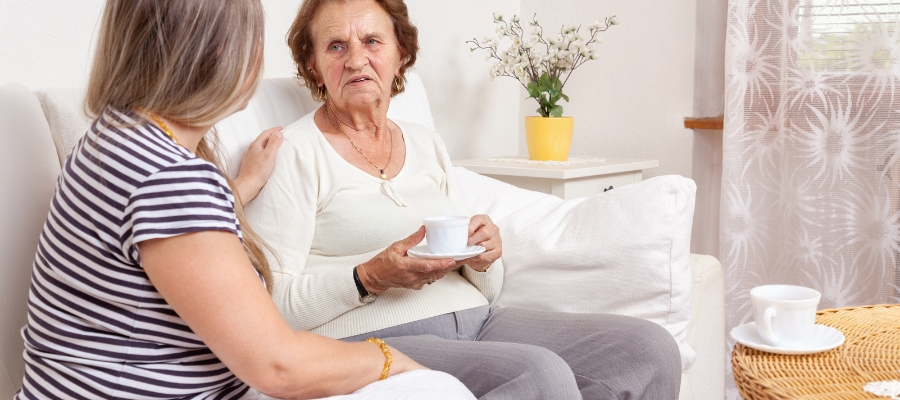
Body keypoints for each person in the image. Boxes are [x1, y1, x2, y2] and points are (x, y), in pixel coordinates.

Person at [15, 1, 476, 399]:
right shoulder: (169, 178)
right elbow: (277, 366)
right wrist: (388, 358)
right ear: (219, 52)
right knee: (439, 389)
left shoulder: (119, 139)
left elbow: (169, 257)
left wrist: (238, 190)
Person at [245, 0, 683, 399]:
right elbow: (269, 305)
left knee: (646, 349)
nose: (356, 58)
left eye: (372, 41)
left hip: (479, 320)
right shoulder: (293, 152)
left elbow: (482, 284)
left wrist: (484, 256)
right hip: (375, 338)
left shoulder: (425, 143)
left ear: (401, 56)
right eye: (336, 46)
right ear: (314, 66)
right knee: (538, 374)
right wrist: (369, 277)